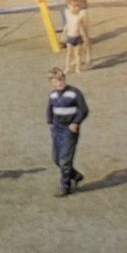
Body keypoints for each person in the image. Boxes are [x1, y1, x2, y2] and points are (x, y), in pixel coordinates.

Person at [46, 67, 88, 197]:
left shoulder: (74, 93)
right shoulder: (53, 94)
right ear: (52, 83)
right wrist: (50, 123)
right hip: (57, 128)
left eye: (61, 80)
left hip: (69, 129)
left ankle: (65, 186)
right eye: (56, 81)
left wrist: (76, 122)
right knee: (56, 158)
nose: (59, 83)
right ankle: (75, 175)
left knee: (65, 159)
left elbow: (83, 110)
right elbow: (50, 109)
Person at [62, 0, 89, 73]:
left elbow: (81, 27)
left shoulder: (79, 16)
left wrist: (84, 36)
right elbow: (66, 26)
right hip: (70, 37)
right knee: (69, 53)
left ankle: (78, 68)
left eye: (76, 7)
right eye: (72, 6)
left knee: (78, 54)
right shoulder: (69, 15)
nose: (74, 8)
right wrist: (63, 35)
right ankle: (67, 67)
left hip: (77, 37)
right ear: (69, 7)